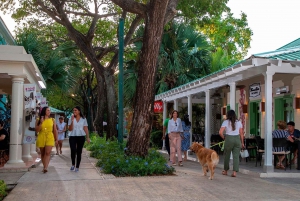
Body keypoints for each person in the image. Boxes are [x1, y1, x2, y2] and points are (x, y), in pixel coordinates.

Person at [219, 110, 244, 177]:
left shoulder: (226, 122)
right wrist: (242, 143)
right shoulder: (239, 122)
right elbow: (241, 133)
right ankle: (234, 172)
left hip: (229, 139)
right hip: (237, 139)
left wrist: (224, 138)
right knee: (236, 156)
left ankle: (226, 171)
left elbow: (220, 132)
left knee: (227, 155)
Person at [35, 107, 58, 173]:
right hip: (41, 136)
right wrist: (41, 123)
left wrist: (56, 139)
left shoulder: (52, 119)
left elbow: (55, 130)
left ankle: (45, 167)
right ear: (44, 111)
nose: (49, 111)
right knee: (42, 153)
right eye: (48, 110)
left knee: (48, 152)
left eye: (50, 110)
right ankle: (44, 166)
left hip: (50, 136)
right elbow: (37, 130)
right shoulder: (38, 119)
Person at [68, 106, 90, 172]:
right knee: (73, 150)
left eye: (75, 110)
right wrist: (72, 121)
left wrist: (87, 137)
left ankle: (77, 166)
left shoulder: (83, 119)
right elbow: (70, 129)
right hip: (72, 136)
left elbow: (85, 128)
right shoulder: (71, 118)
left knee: (79, 151)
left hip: (81, 136)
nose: (74, 112)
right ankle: (73, 164)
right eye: (73, 110)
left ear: (79, 111)